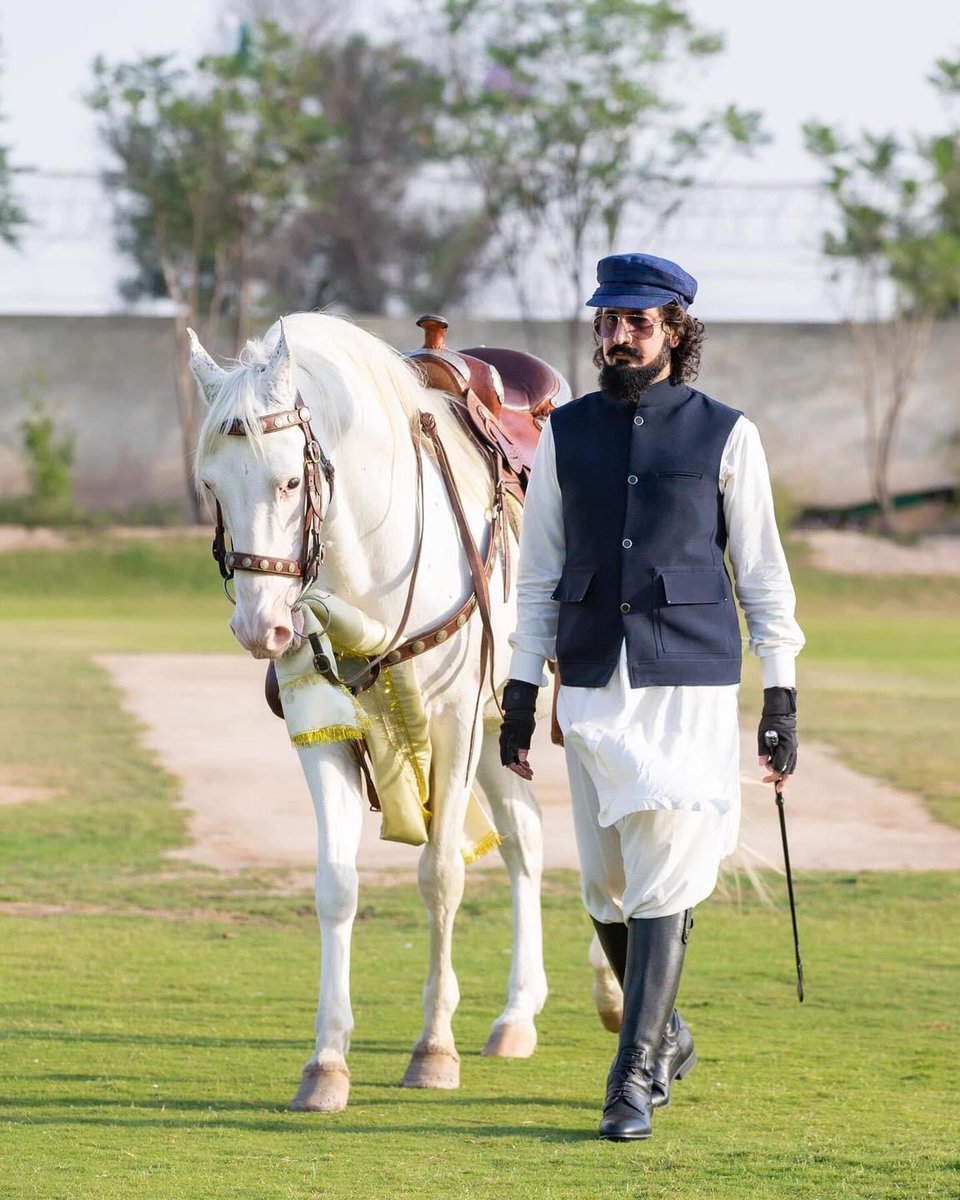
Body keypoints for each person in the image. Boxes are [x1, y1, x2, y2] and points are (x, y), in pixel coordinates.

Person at [498, 252, 804, 1142]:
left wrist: (780, 695)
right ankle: (666, 1032)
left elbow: (763, 575)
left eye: (637, 321)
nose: (619, 335)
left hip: (688, 684)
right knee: (605, 887)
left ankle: (632, 1078)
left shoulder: (727, 434)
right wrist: (521, 688)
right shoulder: (567, 435)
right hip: (591, 679)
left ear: (675, 329)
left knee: (664, 867)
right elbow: (538, 573)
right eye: (608, 321)